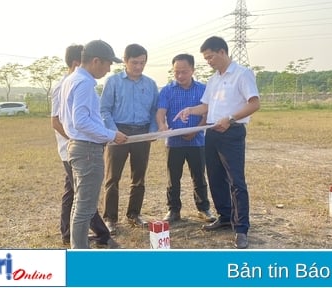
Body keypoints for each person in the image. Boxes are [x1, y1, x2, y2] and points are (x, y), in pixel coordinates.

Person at [173, 36, 260, 249]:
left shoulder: (242, 74)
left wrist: (230, 119)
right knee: (215, 177)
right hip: (212, 132)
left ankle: (241, 228)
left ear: (222, 52)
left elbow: (254, 104)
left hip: (231, 133)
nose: (209, 61)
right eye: (206, 58)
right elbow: (205, 106)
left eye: (210, 57)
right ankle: (224, 216)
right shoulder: (214, 79)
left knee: (236, 181)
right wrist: (190, 110)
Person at [59, 40, 128, 249]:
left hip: (79, 147)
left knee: (81, 203)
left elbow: (69, 118)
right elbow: (80, 120)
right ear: (96, 61)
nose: (108, 70)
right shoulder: (85, 82)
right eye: (107, 64)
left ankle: (78, 248)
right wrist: (110, 134)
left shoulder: (71, 79)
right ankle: (81, 254)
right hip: (87, 149)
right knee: (85, 206)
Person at [100, 43, 159, 234]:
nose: (139, 67)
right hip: (118, 132)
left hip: (142, 132)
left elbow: (154, 110)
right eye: (134, 63)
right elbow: (105, 109)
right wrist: (114, 132)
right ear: (125, 61)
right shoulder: (113, 82)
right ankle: (110, 218)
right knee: (112, 178)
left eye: (142, 63)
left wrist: (152, 130)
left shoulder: (150, 84)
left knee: (139, 177)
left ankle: (134, 214)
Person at [155, 53, 216, 223]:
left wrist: (196, 130)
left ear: (192, 70)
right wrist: (162, 126)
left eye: (184, 71)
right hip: (174, 142)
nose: (180, 76)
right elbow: (161, 112)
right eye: (176, 72)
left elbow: (207, 112)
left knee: (199, 176)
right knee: (173, 178)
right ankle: (173, 210)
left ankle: (203, 208)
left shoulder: (202, 89)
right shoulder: (167, 90)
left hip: (197, 141)